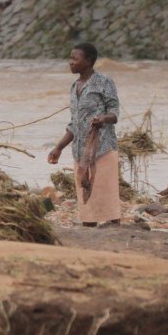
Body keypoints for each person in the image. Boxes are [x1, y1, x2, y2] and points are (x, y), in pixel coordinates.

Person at [47, 42, 121, 227]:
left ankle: (115, 230)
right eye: (70, 58)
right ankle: (89, 226)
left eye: (74, 58)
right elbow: (74, 124)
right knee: (86, 200)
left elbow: (114, 113)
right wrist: (59, 148)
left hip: (103, 148)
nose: (70, 62)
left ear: (88, 61)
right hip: (80, 152)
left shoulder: (104, 82)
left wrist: (102, 119)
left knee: (107, 197)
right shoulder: (74, 87)